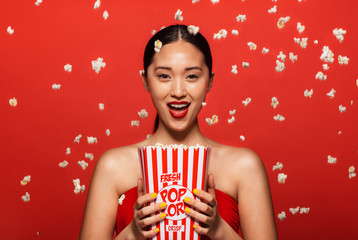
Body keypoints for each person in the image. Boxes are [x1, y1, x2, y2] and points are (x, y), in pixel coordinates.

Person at [79, 24, 278, 240]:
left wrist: (219, 230)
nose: (178, 92)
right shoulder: (113, 167)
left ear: (209, 81)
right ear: (146, 80)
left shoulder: (244, 167)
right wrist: (132, 235)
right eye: (164, 76)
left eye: (192, 76)